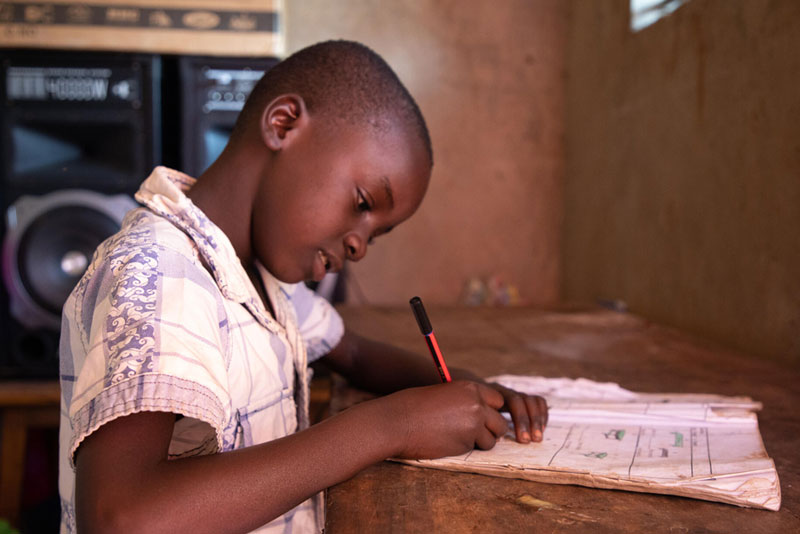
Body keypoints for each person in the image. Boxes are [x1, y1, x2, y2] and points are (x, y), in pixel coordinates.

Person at [58, 40, 548, 533]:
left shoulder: (257, 274)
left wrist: (463, 389)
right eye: (362, 202)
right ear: (284, 124)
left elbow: (351, 353)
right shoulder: (161, 275)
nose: (358, 246)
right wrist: (393, 425)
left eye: (376, 234)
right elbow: (122, 518)